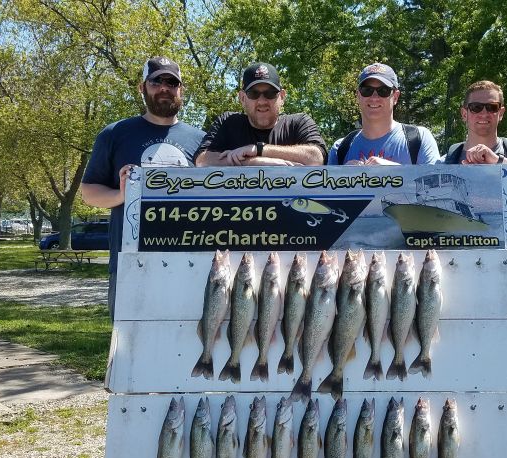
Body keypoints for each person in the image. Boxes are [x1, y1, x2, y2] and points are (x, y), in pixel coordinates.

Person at [80, 56, 205, 319]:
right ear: (142, 87)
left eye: (172, 82)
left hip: (190, 265)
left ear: (181, 90)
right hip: (130, 265)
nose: (164, 88)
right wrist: (121, 194)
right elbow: (89, 192)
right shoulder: (114, 134)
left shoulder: (201, 141)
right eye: (156, 81)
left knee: (188, 349)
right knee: (130, 353)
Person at [195, 63, 326, 166]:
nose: (262, 101)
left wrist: (259, 149)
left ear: (282, 96)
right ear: (242, 98)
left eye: (270, 93)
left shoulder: (299, 123)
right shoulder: (228, 122)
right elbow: (202, 160)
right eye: (253, 93)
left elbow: (316, 159)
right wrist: (254, 163)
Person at [441, 80, 507, 191]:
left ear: (501, 113)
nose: (484, 114)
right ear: (464, 114)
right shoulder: (447, 160)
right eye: (476, 107)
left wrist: (497, 161)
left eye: (492, 107)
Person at [328, 63, 440, 165]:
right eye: (367, 90)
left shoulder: (420, 138)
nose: (374, 97)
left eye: (383, 91)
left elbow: (435, 184)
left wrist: (393, 172)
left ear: (395, 97)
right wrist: (342, 176)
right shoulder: (340, 149)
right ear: (358, 96)